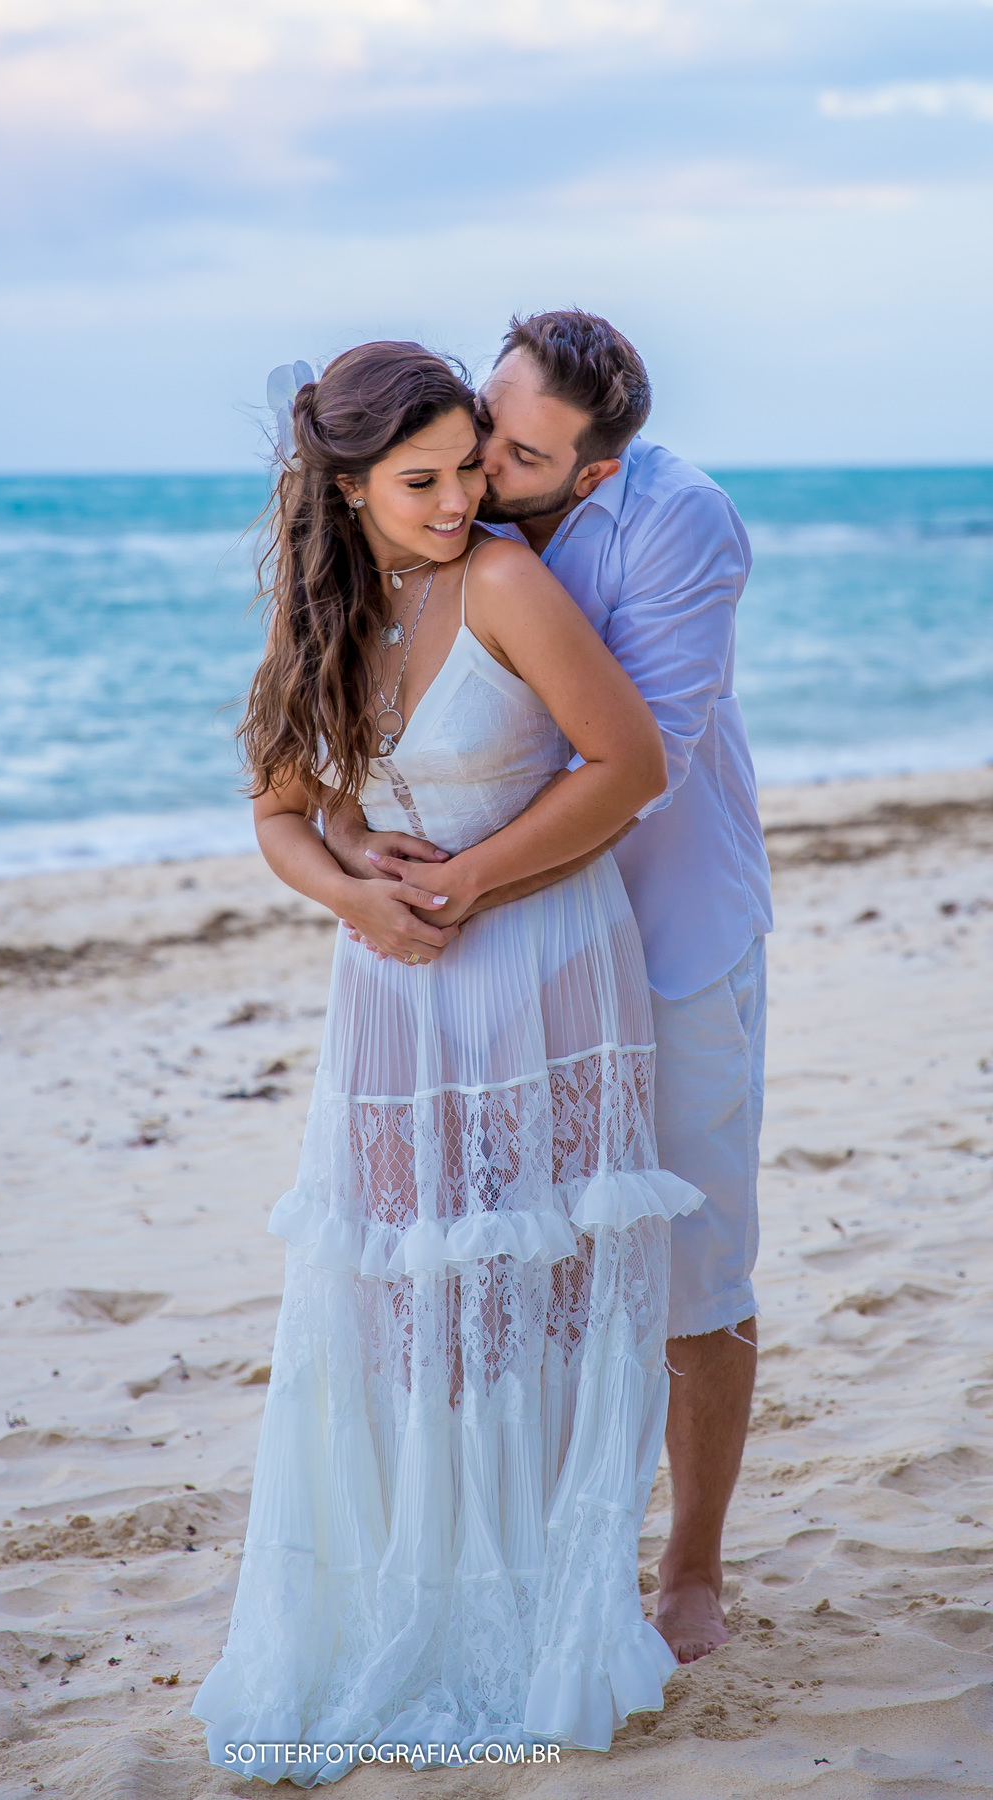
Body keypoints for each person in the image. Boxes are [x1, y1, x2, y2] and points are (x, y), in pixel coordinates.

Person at [191, 340, 705, 1781]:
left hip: (543, 966)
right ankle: (415, 1582)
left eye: (471, 468)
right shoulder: (325, 611)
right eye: (420, 481)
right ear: (346, 488)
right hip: (391, 991)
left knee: (536, 1290)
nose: (458, 501)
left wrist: (467, 882)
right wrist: (348, 892)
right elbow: (280, 810)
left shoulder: (505, 581)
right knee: (407, 1296)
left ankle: (543, 1598)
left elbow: (631, 766)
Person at [327, 310, 772, 1665]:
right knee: (514, 1253)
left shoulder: (680, 522)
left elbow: (644, 765)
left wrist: (456, 888)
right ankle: (531, 1557)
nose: (480, 475)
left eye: (514, 458)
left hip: (669, 934)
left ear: (593, 470)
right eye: (480, 431)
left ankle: (690, 1569)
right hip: (513, 961)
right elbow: (350, 732)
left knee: (689, 1256)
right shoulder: (446, 519)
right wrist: (352, 853)